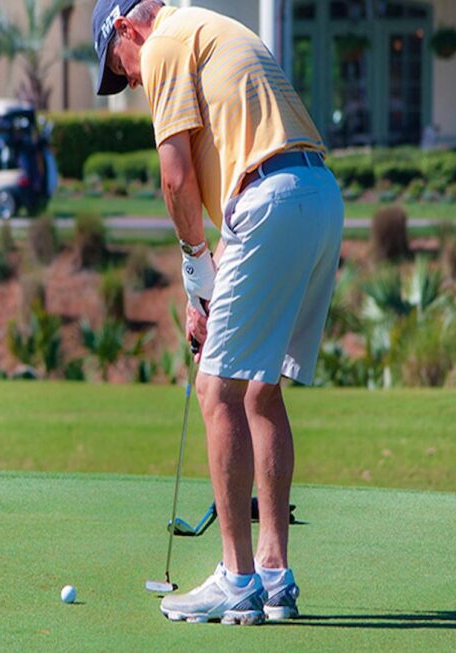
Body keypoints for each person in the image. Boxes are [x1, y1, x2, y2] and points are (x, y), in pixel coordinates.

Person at [92, 0, 343, 625]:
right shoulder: (214, 27)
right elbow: (241, 161)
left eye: (119, 67)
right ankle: (276, 576)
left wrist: (192, 265)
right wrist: (207, 281)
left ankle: (236, 578)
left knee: (216, 390)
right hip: (316, 196)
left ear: (127, 29)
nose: (129, 80)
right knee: (259, 389)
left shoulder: (165, 44)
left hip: (270, 199)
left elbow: (176, 179)